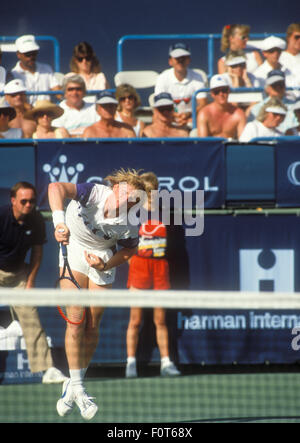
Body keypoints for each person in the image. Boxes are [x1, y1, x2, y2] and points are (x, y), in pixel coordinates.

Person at [48, 168, 147, 420]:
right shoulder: (93, 193)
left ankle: (72, 384)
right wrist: (59, 221)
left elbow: (128, 252)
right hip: (74, 248)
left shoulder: (130, 221)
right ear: (114, 188)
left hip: (102, 257)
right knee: (76, 319)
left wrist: (105, 265)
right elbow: (55, 188)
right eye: (124, 192)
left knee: (93, 325)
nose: (126, 199)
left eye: (132, 198)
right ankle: (79, 388)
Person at [0, 181, 67, 384]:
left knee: (31, 319)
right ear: (13, 201)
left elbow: (37, 252)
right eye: (24, 201)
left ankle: (47, 370)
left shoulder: (36, 219)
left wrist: (30, 281)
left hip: (20, 274)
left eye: (32, 201)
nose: (28, 205)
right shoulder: (1, 216)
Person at [126, 172, 181, 378]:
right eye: (146, 191)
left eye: (153, 191)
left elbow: (172, 245)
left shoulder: (165, 213)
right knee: (135, 320)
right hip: (139, 268)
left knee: (161, 320)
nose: (150, 194)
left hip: (160, 269)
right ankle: (130, 364)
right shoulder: (133, 213)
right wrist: (135, 263)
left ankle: (166, 363)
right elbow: (125, 243)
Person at [154, 42, 207, 128]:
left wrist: (190, 115)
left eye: (183, 58)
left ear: (189, 60)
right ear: (170, 61)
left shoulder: (198, 77)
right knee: (156, 117)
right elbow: (158, 106)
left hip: (192, 119)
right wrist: (174, 117)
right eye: (177, 58)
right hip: (168, 118)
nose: (180, 61)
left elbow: (203, 103)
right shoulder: (162, 78)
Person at [10, 35, 61, 105]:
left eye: (34, 53)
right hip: (26, 114)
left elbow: (58, 92)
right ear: (18, 54)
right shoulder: (12, 75)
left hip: (47, 112)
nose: (31, 57)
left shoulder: (47, 69)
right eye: (27, 54)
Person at [197, 75, 246, 139]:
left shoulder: (239, 114)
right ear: (212, 94)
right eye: (217, 91)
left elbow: (243, 141)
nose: (221, 94)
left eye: (224, 90)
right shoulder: (204, 114)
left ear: (228, 91)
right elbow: (203, 144)